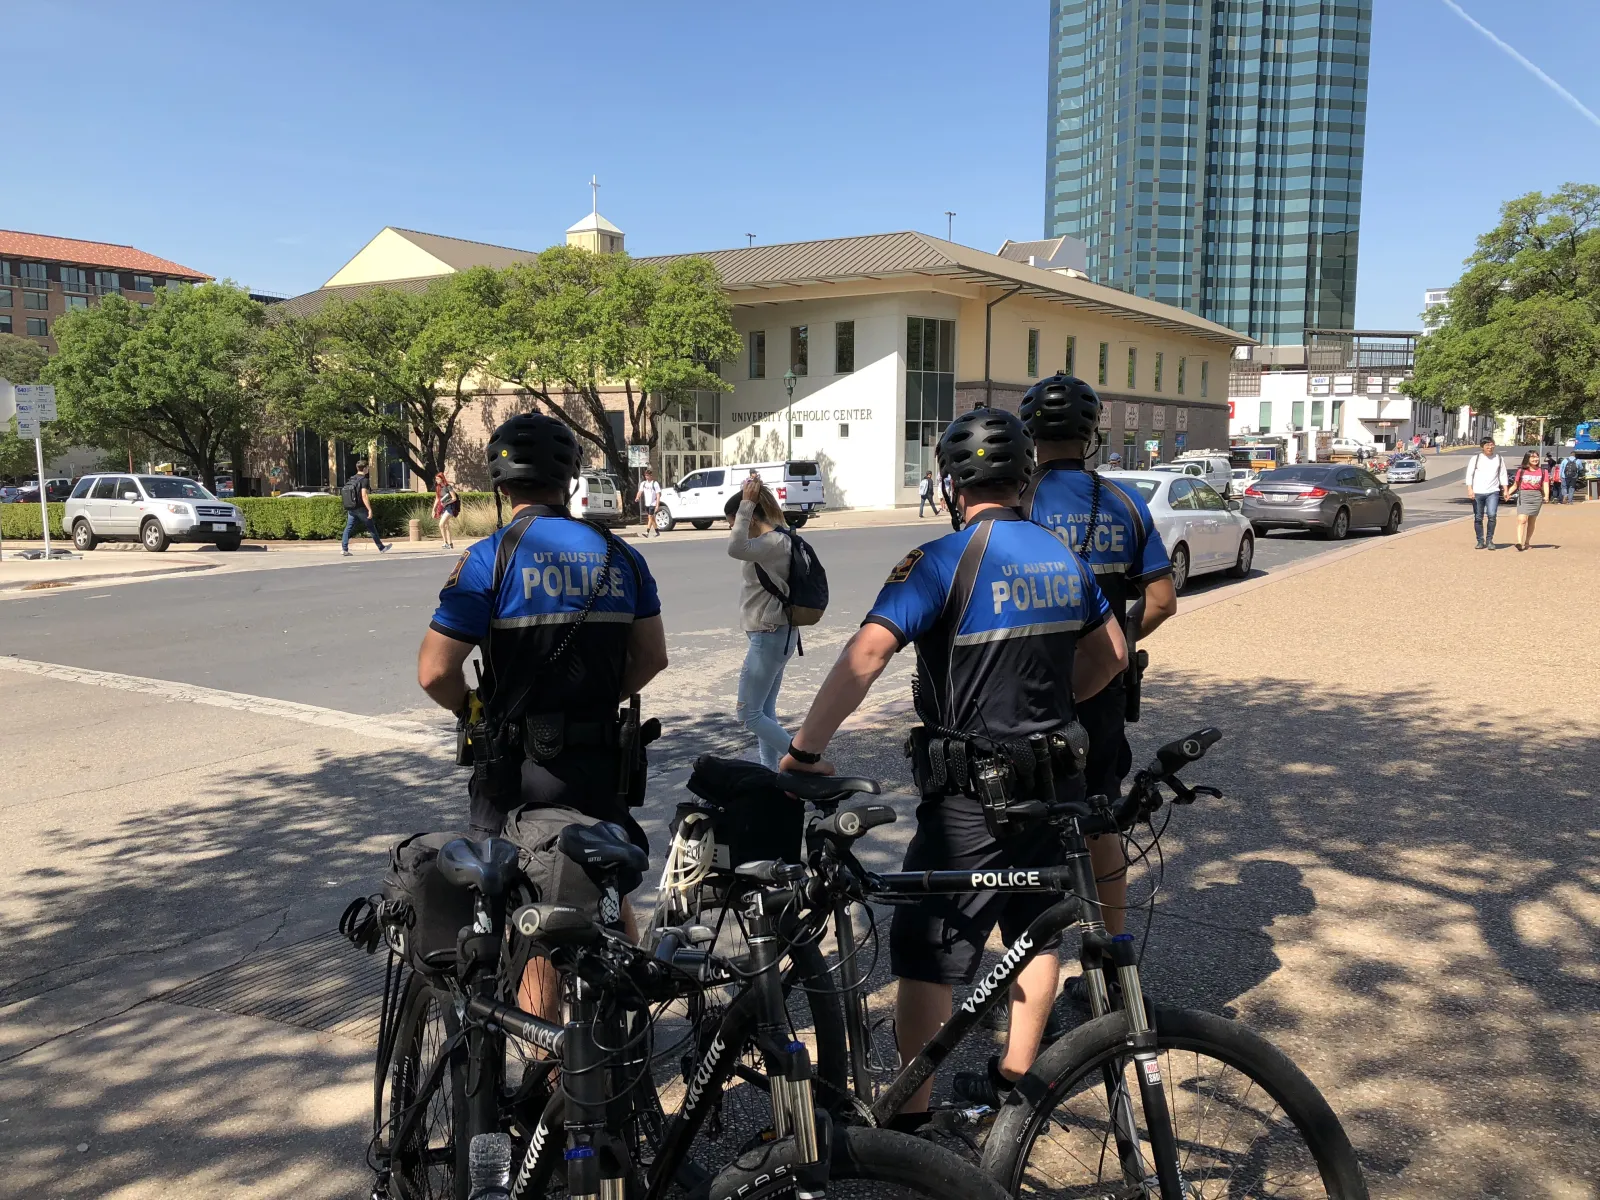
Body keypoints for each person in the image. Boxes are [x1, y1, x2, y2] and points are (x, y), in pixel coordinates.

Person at [777, 408, 1128, 1121]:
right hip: (1056, 777)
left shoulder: (943, 560)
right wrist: (1059, 703)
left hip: (973, 794)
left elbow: (868, 655)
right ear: (1024, 479)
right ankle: (1016, 1087)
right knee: (1034, 926)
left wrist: (804, 750)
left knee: (926, 943)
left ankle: (910, 1112)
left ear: (950, 484)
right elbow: (1113, 656)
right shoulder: (1065, 558)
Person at [417, 413, 668, 1018]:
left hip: (519, 765)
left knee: (528, 898)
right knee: (601, 869)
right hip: (600, 760)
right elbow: (651, 658)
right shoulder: (621, 556)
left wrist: (476, 712)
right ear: (570, 480)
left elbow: (435, 672)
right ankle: (627, 1020)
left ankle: (546, 1062)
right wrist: (600, 698)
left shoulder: (488, 560)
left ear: (504, 486)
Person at [1018, 375, 1178, 981]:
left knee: (1024, 826)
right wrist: (1116, 645)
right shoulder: (1125, 502)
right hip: (1103, 693)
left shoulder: (1019, 503)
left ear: (1031, 436)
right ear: (1092, 436)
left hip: (1026, 693)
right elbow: (1161, 601)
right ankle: (1111, 960)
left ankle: (1028, 971)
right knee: (1100, 816)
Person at [725, 477, 799, 768]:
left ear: (751, 518)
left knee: (749, 714)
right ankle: (771, 774)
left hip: (770, 638)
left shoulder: (773, 542)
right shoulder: (776, 540)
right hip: (774, 636)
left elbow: (734, 548)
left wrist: (744, 505)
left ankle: (806, 761)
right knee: (764, 713)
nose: (733, 529)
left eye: (734, 523)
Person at [1464, 437, 1507, 550]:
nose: (1490, 447)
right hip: (1477, 492)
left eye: (1492, 445)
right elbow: (1469, 474)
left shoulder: (1498, 458)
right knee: (1478, 517)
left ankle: (1489, 540)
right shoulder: (1476, 458)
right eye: (1487, 445)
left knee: (1492, 515)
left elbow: (1502, 474)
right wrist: (1470, 489)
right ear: (1482, 447)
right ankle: (1480, 540)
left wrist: (1506, 489)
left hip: (1493, 491)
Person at [340, 459, 390, 556]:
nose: (368, 469)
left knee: (348, 528)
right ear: (365, 468)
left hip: (351, 508)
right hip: (361, 508)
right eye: (368, 467)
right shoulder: (364, 480)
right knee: (371, 528)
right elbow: (364, 495)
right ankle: (381, 548)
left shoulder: (352, 479)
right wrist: (369, 509)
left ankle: (344, 549)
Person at [1509, 450, 1549, 551]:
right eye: (1532, 457)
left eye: (1536, 457)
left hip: (1536, 496)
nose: (1535, 459)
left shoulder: (1543, 471)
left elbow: (1545, 484)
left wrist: (1546, 495)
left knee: (1532, 521)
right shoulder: (1521, 471)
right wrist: (1508, 493)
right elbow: (1515, 485)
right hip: (1524, 496)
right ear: (1527, 459)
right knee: (1522, 520)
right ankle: (1519, 542)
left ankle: (1527, 542)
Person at [432, 473, 461, 549]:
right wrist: (434, 509)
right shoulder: (438, 488)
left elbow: (454, 498)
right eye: (436, 479)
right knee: (446, 526)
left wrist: (446, 503)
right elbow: (437, 499)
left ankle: (445, 543)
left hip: (449, 508)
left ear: (442, 479)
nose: (436, 480)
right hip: (443, 509)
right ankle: (450, 543)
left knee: (441, 524)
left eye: (438, 479)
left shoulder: (448, 487)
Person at [635, 467, 662, 538]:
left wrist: (657, 505)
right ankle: (657, 532)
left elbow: (658, 494)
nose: (647, 477)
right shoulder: (643, 484)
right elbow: (640, 491)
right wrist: (637, 497)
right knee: (651, 518)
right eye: (646, 475)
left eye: (648, 475)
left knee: (650, 517)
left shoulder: (655, 483)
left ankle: (647, 532)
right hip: (647, 503)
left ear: (651, 476)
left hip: (653, 503)